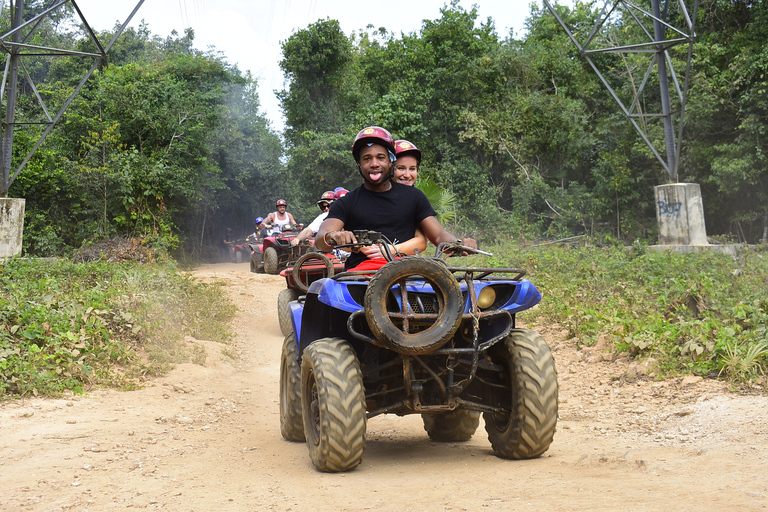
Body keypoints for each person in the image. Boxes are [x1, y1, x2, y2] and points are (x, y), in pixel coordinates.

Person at [315, 126, 476, 271]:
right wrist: (333, 237)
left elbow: (439, 236)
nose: (374, 163)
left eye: (381, 157)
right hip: (359, 278)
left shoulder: (414, 197)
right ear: (359, 164)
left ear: (391, 161)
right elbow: (321, 237)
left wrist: (459, 244)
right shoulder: (347, 202)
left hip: (408, 274)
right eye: (367, 159)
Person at [359, 139, 427, 261]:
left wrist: (390, 249)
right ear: (390, 166)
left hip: (405, 264)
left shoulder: (416, 198)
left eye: (412, 169)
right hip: (371, 262)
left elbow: (421, 241)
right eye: (400, 168)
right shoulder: (362, 198)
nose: (407, 175)